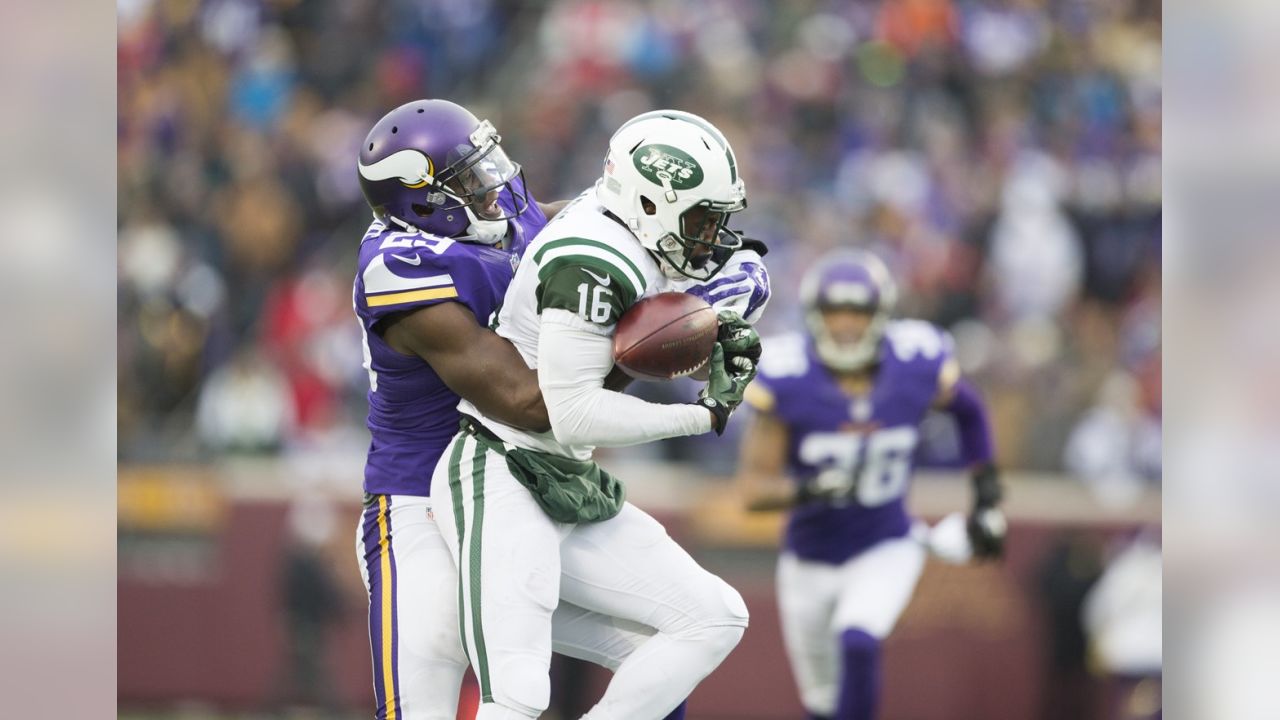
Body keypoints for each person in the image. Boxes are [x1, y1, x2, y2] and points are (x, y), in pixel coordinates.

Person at [352, 100, 769, 720]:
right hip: (420, 497)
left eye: (487, 162)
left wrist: (694, 239)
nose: (495, 185)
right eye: (469, 178)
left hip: (529, 479)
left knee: (669, 655)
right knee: (436, 680)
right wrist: (688, 322)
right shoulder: (402, 270)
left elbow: (602, 216)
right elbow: (530, 401)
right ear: (418, 201)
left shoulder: (499, 219)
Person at [734, 249, 1007, 720]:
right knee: (822, 701)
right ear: (814, 316)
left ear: (880, 315)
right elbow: (753, 492)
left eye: (857, 311)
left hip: (888, 543)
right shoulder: (790, 377)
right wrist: (812, 489)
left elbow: (970, 410)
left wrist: (986, 498)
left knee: (858, 639)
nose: (845, 325)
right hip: (808, 558)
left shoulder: (915, 361)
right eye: (834, 311)